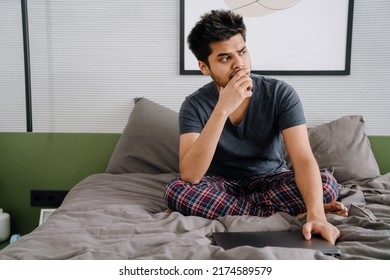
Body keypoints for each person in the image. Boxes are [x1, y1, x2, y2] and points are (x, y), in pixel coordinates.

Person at [164, 10, 347, 244]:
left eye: (242, 52)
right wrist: (222, 109)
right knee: (176, 190)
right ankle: (288, 214)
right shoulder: (194, 104)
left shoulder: (280, 93)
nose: (239, 64)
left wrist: (317, 215)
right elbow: (190, 174)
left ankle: (281, 211)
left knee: (326, 184)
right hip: (220, 185)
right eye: (224, 58)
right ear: (204, 67)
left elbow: (302, 158)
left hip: (269, 180)